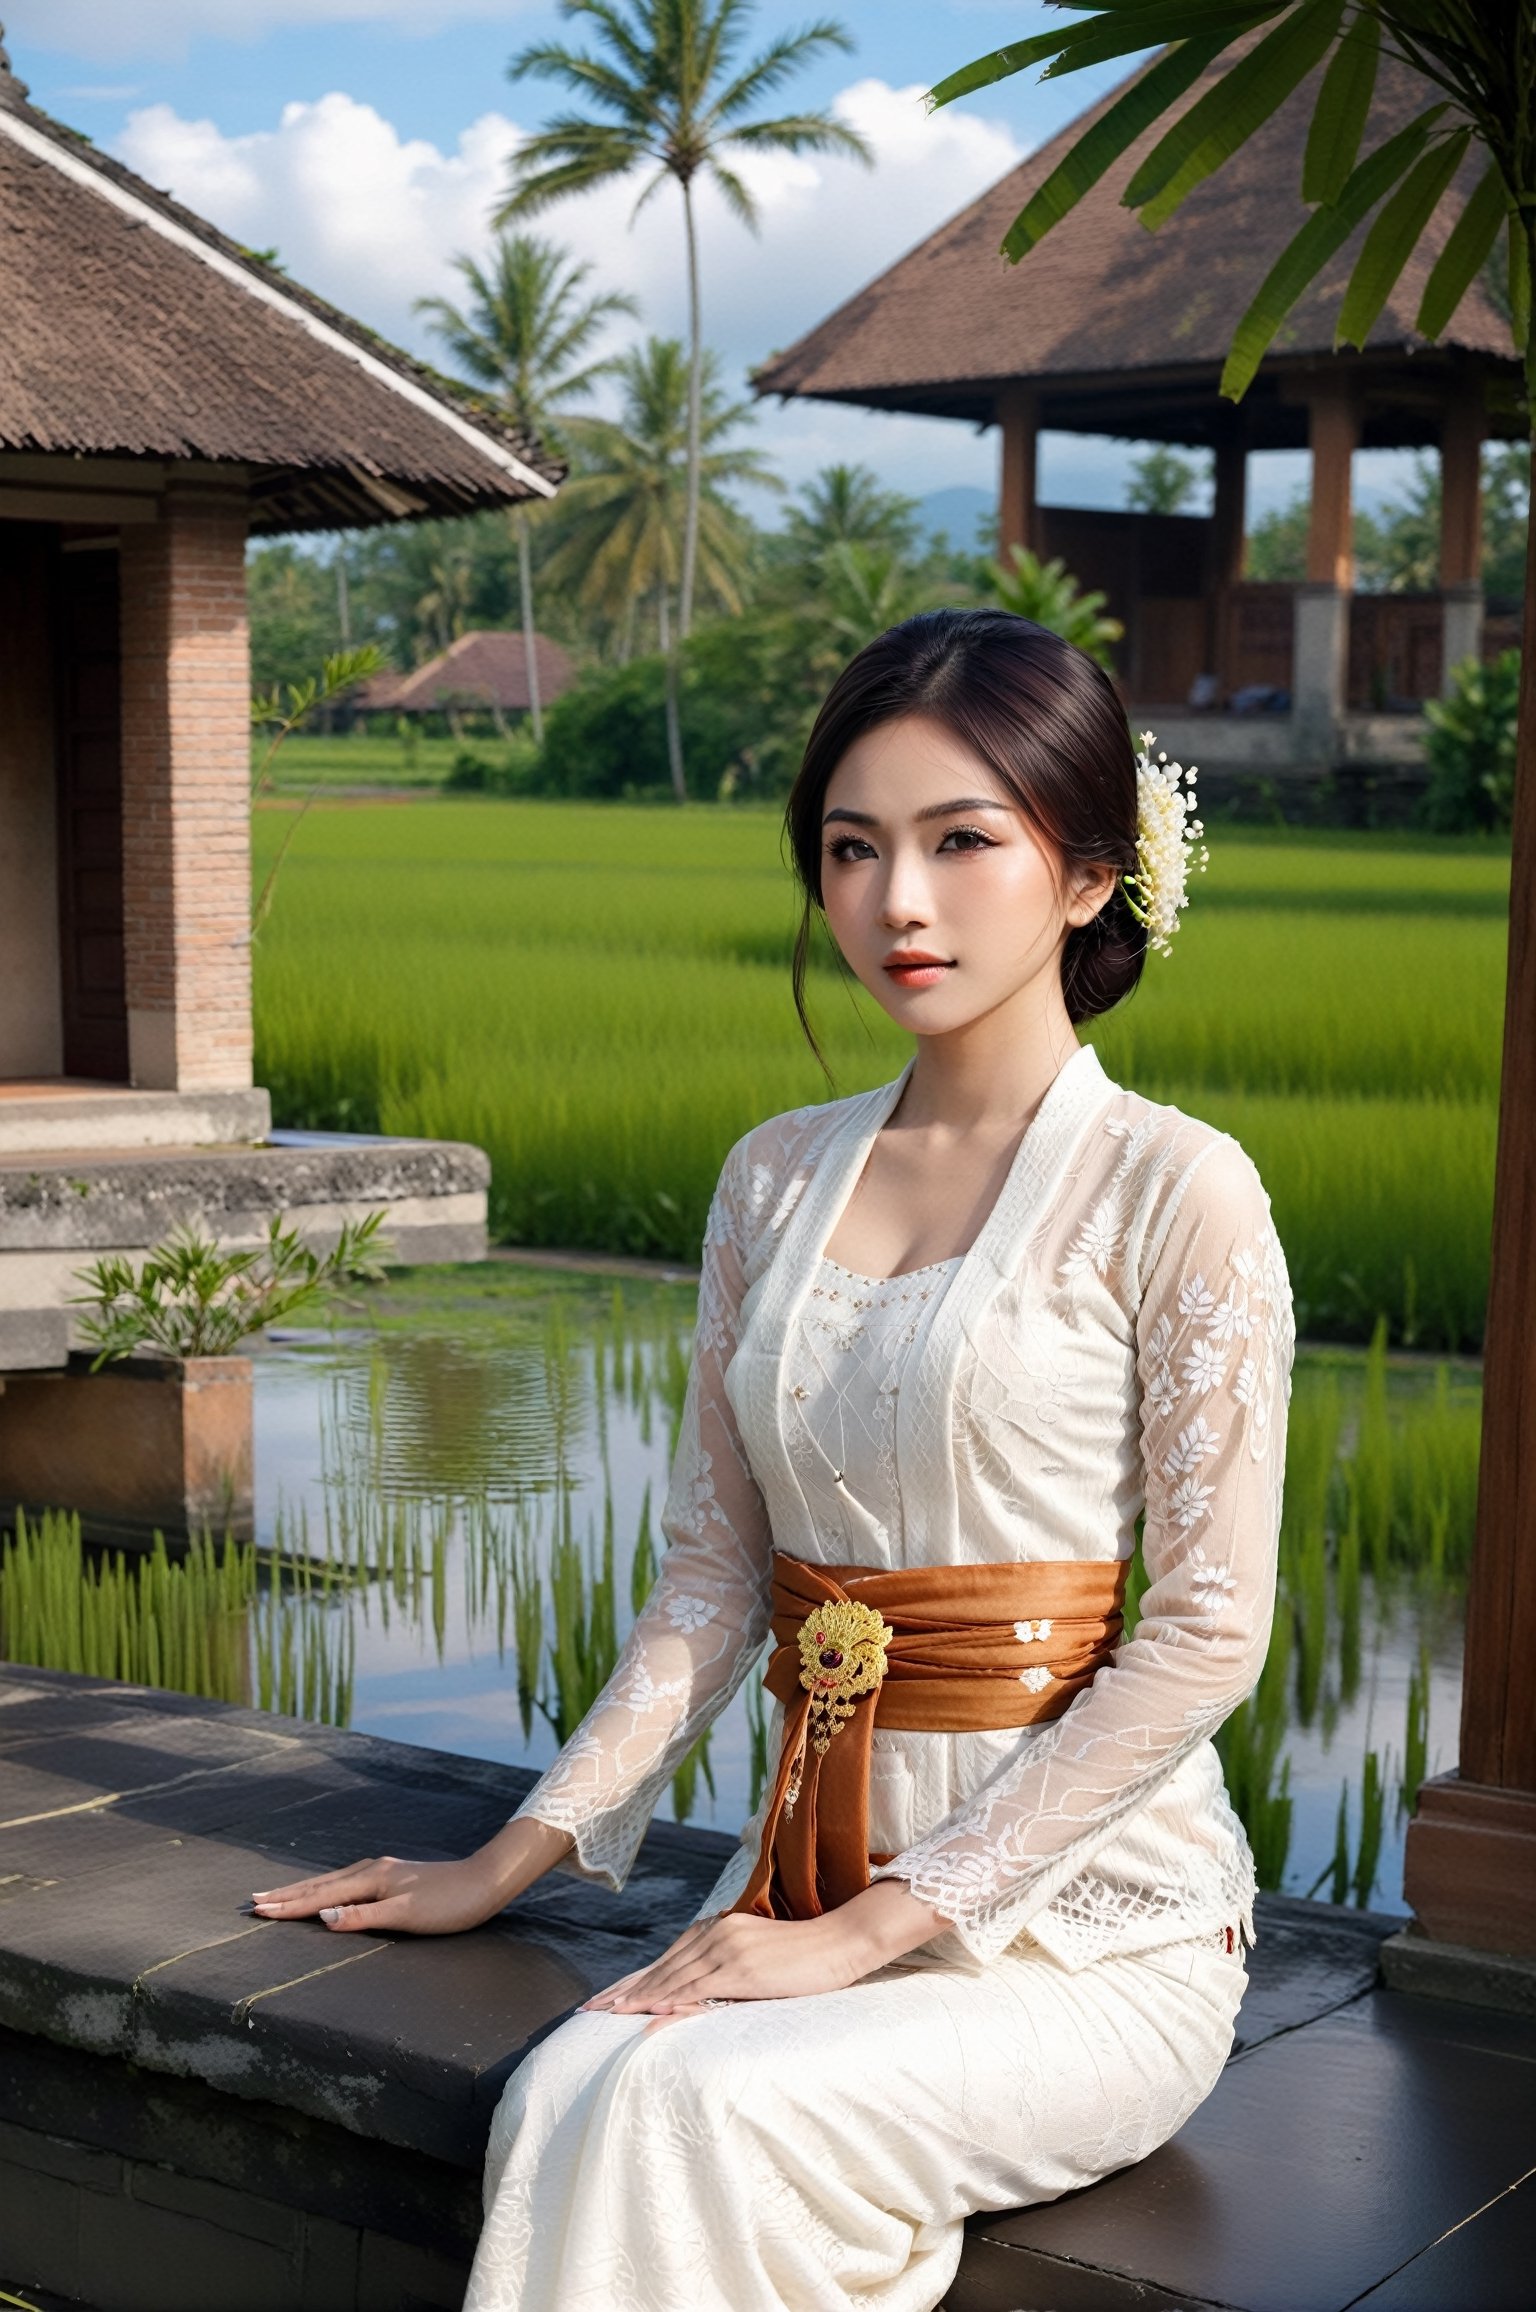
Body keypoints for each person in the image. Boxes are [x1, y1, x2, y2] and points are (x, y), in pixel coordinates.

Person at [253, 612, 1295, 2312]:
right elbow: (714, 1585)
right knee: (575, 2085)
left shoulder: (1176, 1190)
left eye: (966, 842)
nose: (901, 902)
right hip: (802, 1875)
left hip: (1095, 1933)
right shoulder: (772, 1181)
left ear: (1093, 874)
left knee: (697, 2111)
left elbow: (1207, 1635)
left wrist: (873, 1936)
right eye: (853, 848)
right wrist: (508, 1861)